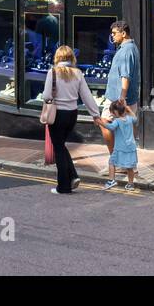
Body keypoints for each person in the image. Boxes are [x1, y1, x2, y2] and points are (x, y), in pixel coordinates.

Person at [41, 45, 105, 194]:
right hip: (72, 115)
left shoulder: (53, 72)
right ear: (71, 58)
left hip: (57, 114)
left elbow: (46, 96)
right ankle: (73, 176)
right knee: (61, 146)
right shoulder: (78, 73)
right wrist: (95, 114)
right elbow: (87, 96)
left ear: (57, 57)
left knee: (58, 148)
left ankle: (63, 186)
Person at [97, 20, 140, 160]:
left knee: (103, 122)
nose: (112, 36)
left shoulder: (126, 51)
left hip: (118, 98)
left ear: (123, 33)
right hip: (126, 97)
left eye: (114, 33)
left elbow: (125, 76)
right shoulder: (131, 47)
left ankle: (117, 158)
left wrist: (122, 98)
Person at [102, 100, 138, 191]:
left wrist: (100, 122)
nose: (112, 114)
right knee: (130, 167)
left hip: (119, 148)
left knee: (112, 162)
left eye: (112, 112)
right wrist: (129, 110)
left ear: (116, 112)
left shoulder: (117, 121)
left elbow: (111, 127)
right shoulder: (129, 119)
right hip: (131, 147)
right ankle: (130, 184)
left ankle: (111, 180)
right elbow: (135, 119)